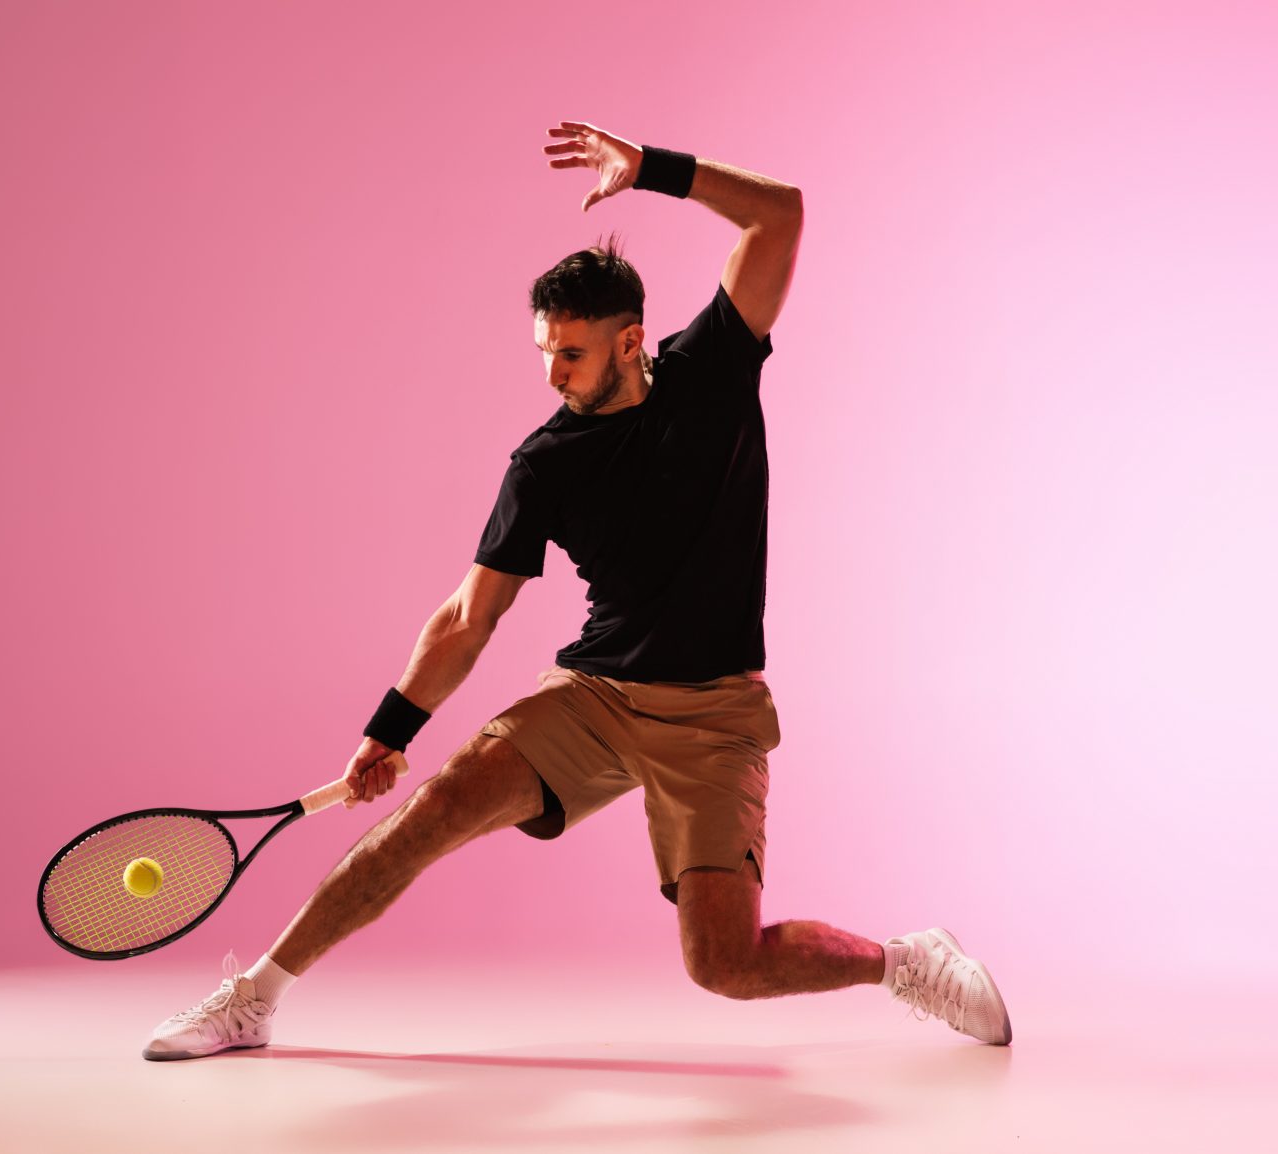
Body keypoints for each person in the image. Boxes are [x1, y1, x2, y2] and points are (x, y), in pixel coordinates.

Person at [142, 120, 1011, 1060]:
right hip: (595, 699)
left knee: (726, 964)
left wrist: (650, 172)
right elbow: (470, 617)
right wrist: (389, 731)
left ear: (631, 341)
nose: (553, 373)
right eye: (545, 352)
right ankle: (253, 999)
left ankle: (902, 962)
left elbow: (780, 216)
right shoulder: (543, 464)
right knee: (426, 817)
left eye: (572, 354)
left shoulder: (713, 369)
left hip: (715, 713)